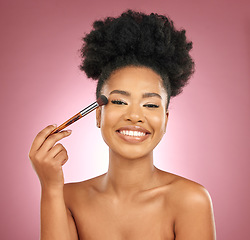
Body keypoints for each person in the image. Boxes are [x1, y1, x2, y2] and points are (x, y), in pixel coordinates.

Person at [29, 9, 216, 240]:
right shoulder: (67, 198)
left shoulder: (190, 200)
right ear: (98, 115)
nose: (135, 116)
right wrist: (50, 187)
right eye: (119, 101)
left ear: (166, 120)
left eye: (150, 105)